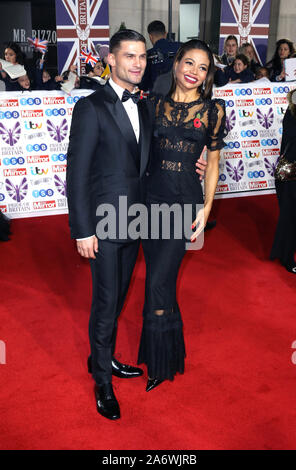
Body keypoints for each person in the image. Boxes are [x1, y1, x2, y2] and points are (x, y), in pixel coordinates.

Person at [66, 29, 152, 421]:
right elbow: (77, 174)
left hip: (134, 221)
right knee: (105, 303)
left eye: (143, 57)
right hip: (103, 223)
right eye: (130, 56)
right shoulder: (91, 107)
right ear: (112, 60)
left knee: (117, 297)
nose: (138, 63)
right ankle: (102, 379)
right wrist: (83, 230)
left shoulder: (145, 106)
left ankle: (100, 356)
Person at [137, 40, 227, 391]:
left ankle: (159, 364)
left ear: (207, 76)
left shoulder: (213, 110)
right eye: (188, 63)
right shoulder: (153, 105)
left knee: (158, 281)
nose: (194, 71)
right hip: (149, 203)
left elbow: (214, 164)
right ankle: (169, 353)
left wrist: (207, 207)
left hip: (184, 205)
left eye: (202, 67)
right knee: (160, 284)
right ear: (175, 65)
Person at [270, 85, 296, 274]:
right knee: (291, 216)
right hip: (293, 172)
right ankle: (286, 255)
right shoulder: (294, 109)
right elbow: (292, 141)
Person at [140, 20, 181, 92]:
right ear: (165, 34)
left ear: (150, 36)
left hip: (158, 98)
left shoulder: (148, 55)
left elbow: (144, 84)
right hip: (181, 94)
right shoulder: (182, 48)